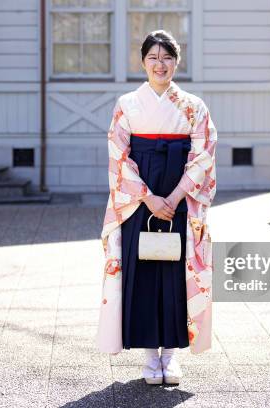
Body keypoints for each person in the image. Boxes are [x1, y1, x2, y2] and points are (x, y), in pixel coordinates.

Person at [96, 30, 217, 385]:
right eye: (153, 57)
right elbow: (119, 156)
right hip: (139, 204)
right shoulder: (127, 104)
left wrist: (176, 197)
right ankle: (151, 358)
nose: (160, 64)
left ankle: (172, 357)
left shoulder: (194, 107)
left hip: (181, 202)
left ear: (176, 62)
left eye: (167, 58)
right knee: (145, 276)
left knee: (177, 278)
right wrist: (148, 197)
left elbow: (203, 155)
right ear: (143, 61)